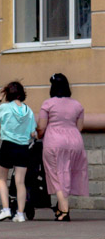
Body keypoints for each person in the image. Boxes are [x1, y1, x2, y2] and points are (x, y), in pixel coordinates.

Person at [37, 73, 89, 221]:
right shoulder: (77, 105)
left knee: (55, 175)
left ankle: (65, 211)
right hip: (75, 142)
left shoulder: (48, 104)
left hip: (54, 141)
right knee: (67, 174)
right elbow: (79, 127)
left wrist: (38, 135)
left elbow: (41, 127)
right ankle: (60, 209)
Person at [0, 81, 36, 223]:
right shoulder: (29, 111)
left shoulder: (5, 107)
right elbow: (33, 133)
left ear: (7, 93)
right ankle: (20, 214)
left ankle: (6, 210)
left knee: (2, 178)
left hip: (8, 146)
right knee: (20, 182)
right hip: (23, 147)